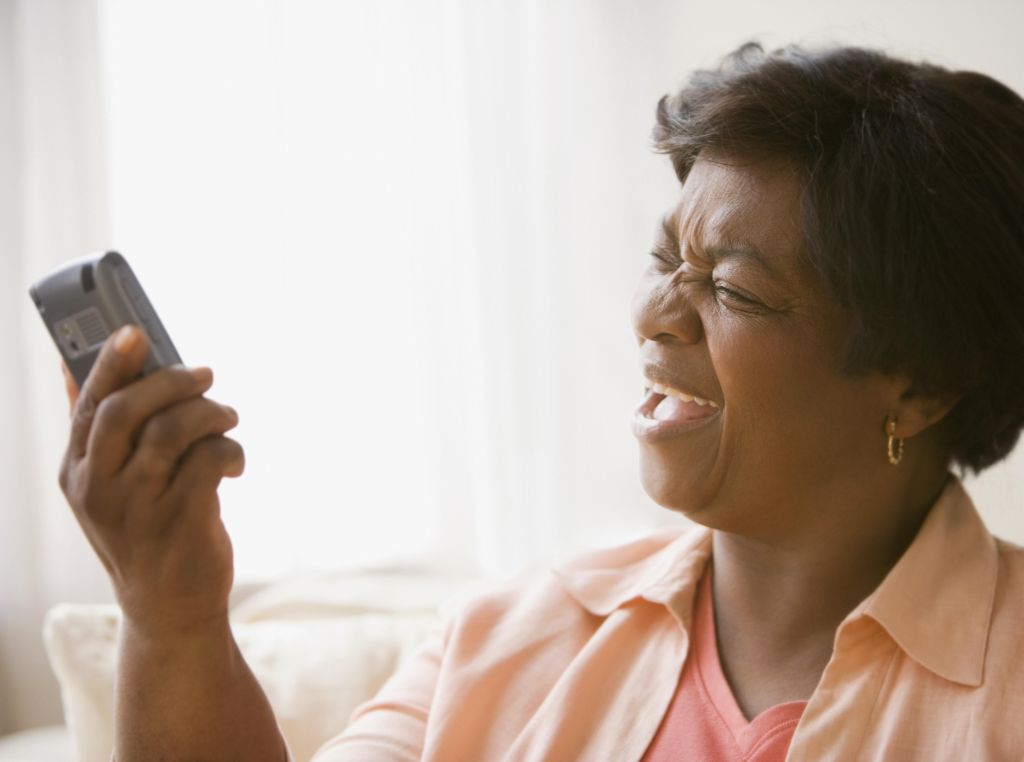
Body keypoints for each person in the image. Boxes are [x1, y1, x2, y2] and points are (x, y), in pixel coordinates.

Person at [59, 42, 1024, 761]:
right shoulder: (511, 639)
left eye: (730, 288)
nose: (653, 315)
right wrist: (171, 614)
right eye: (662, 261)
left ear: (923, 384)